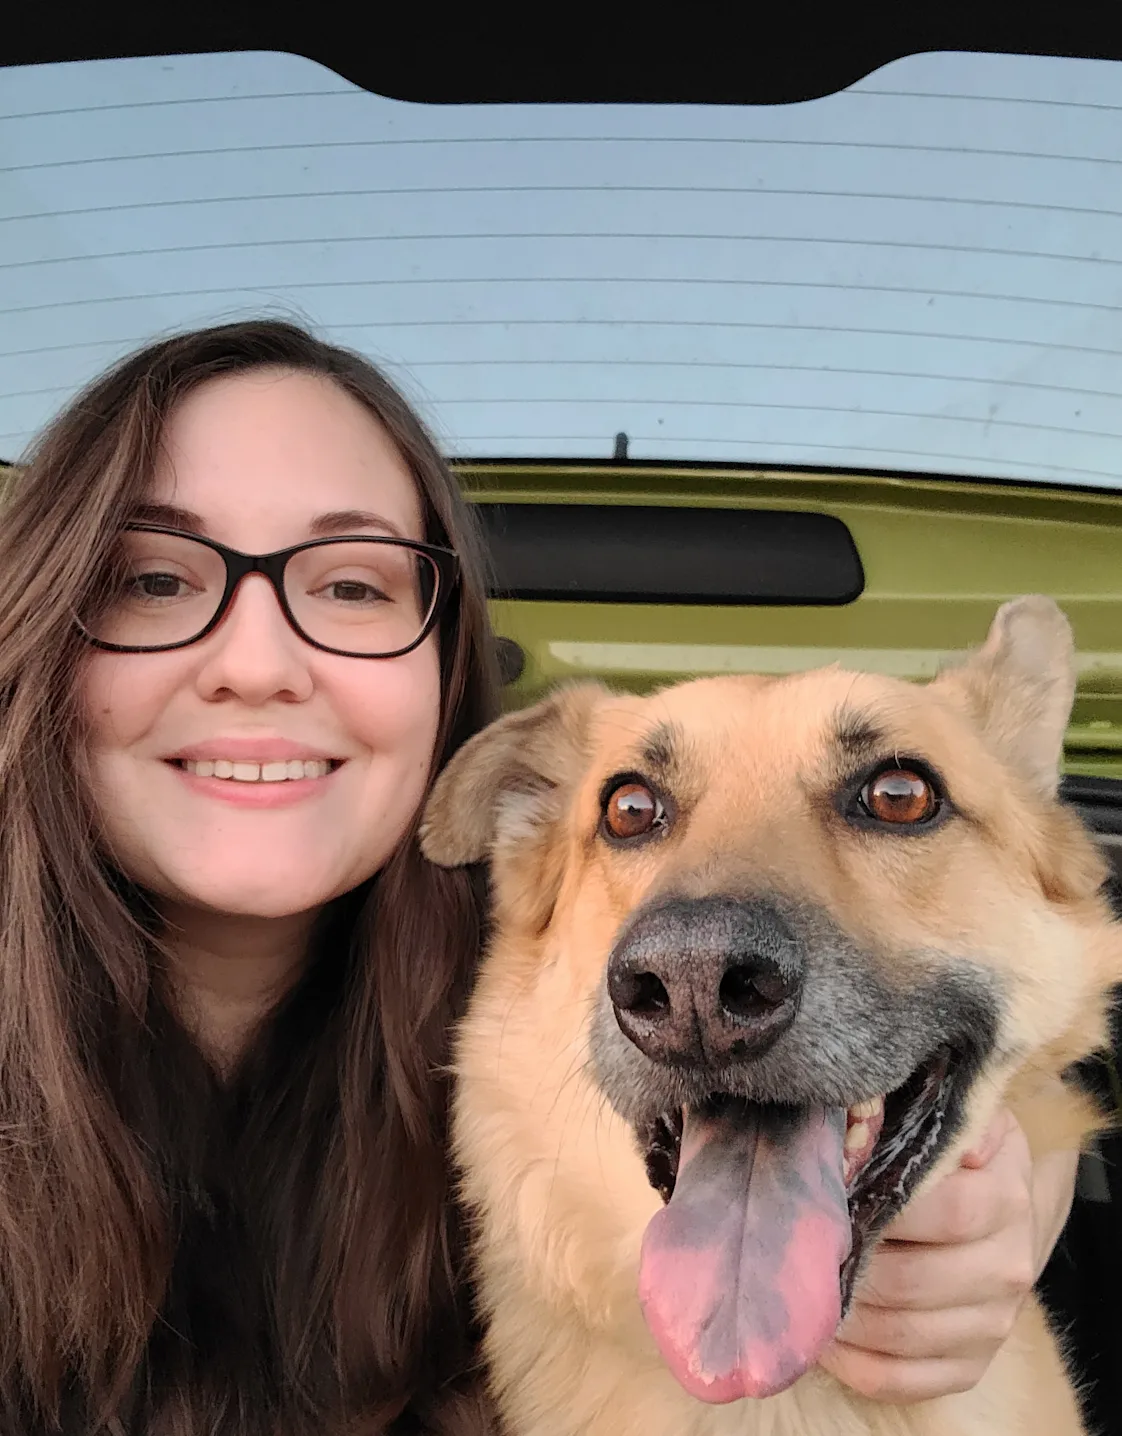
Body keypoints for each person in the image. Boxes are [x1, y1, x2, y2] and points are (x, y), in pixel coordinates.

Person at [0, 318, 1079, 1433]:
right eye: (158, 577)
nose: (260, 663)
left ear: (444, 662)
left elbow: (1042, 1032)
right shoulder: (552, 975)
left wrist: (991, 1201)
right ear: (40, 614)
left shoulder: (504, 955)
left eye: (353, 584)